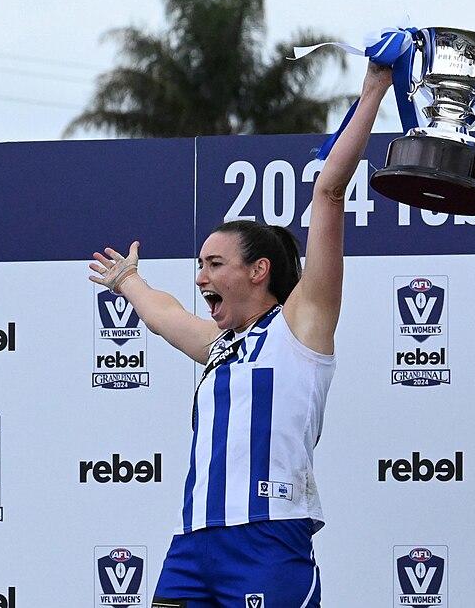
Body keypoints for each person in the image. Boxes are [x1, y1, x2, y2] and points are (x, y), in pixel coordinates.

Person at [88, 63, 392, 608]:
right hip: (192, 548)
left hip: (267, 542)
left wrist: (373, 89)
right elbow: (163, 312)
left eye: (214, 263)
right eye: (198, 264)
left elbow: (328, 193)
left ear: (258, 271)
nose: (200, 276)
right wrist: (128, 280)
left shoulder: (302, 327)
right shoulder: (221, 345)